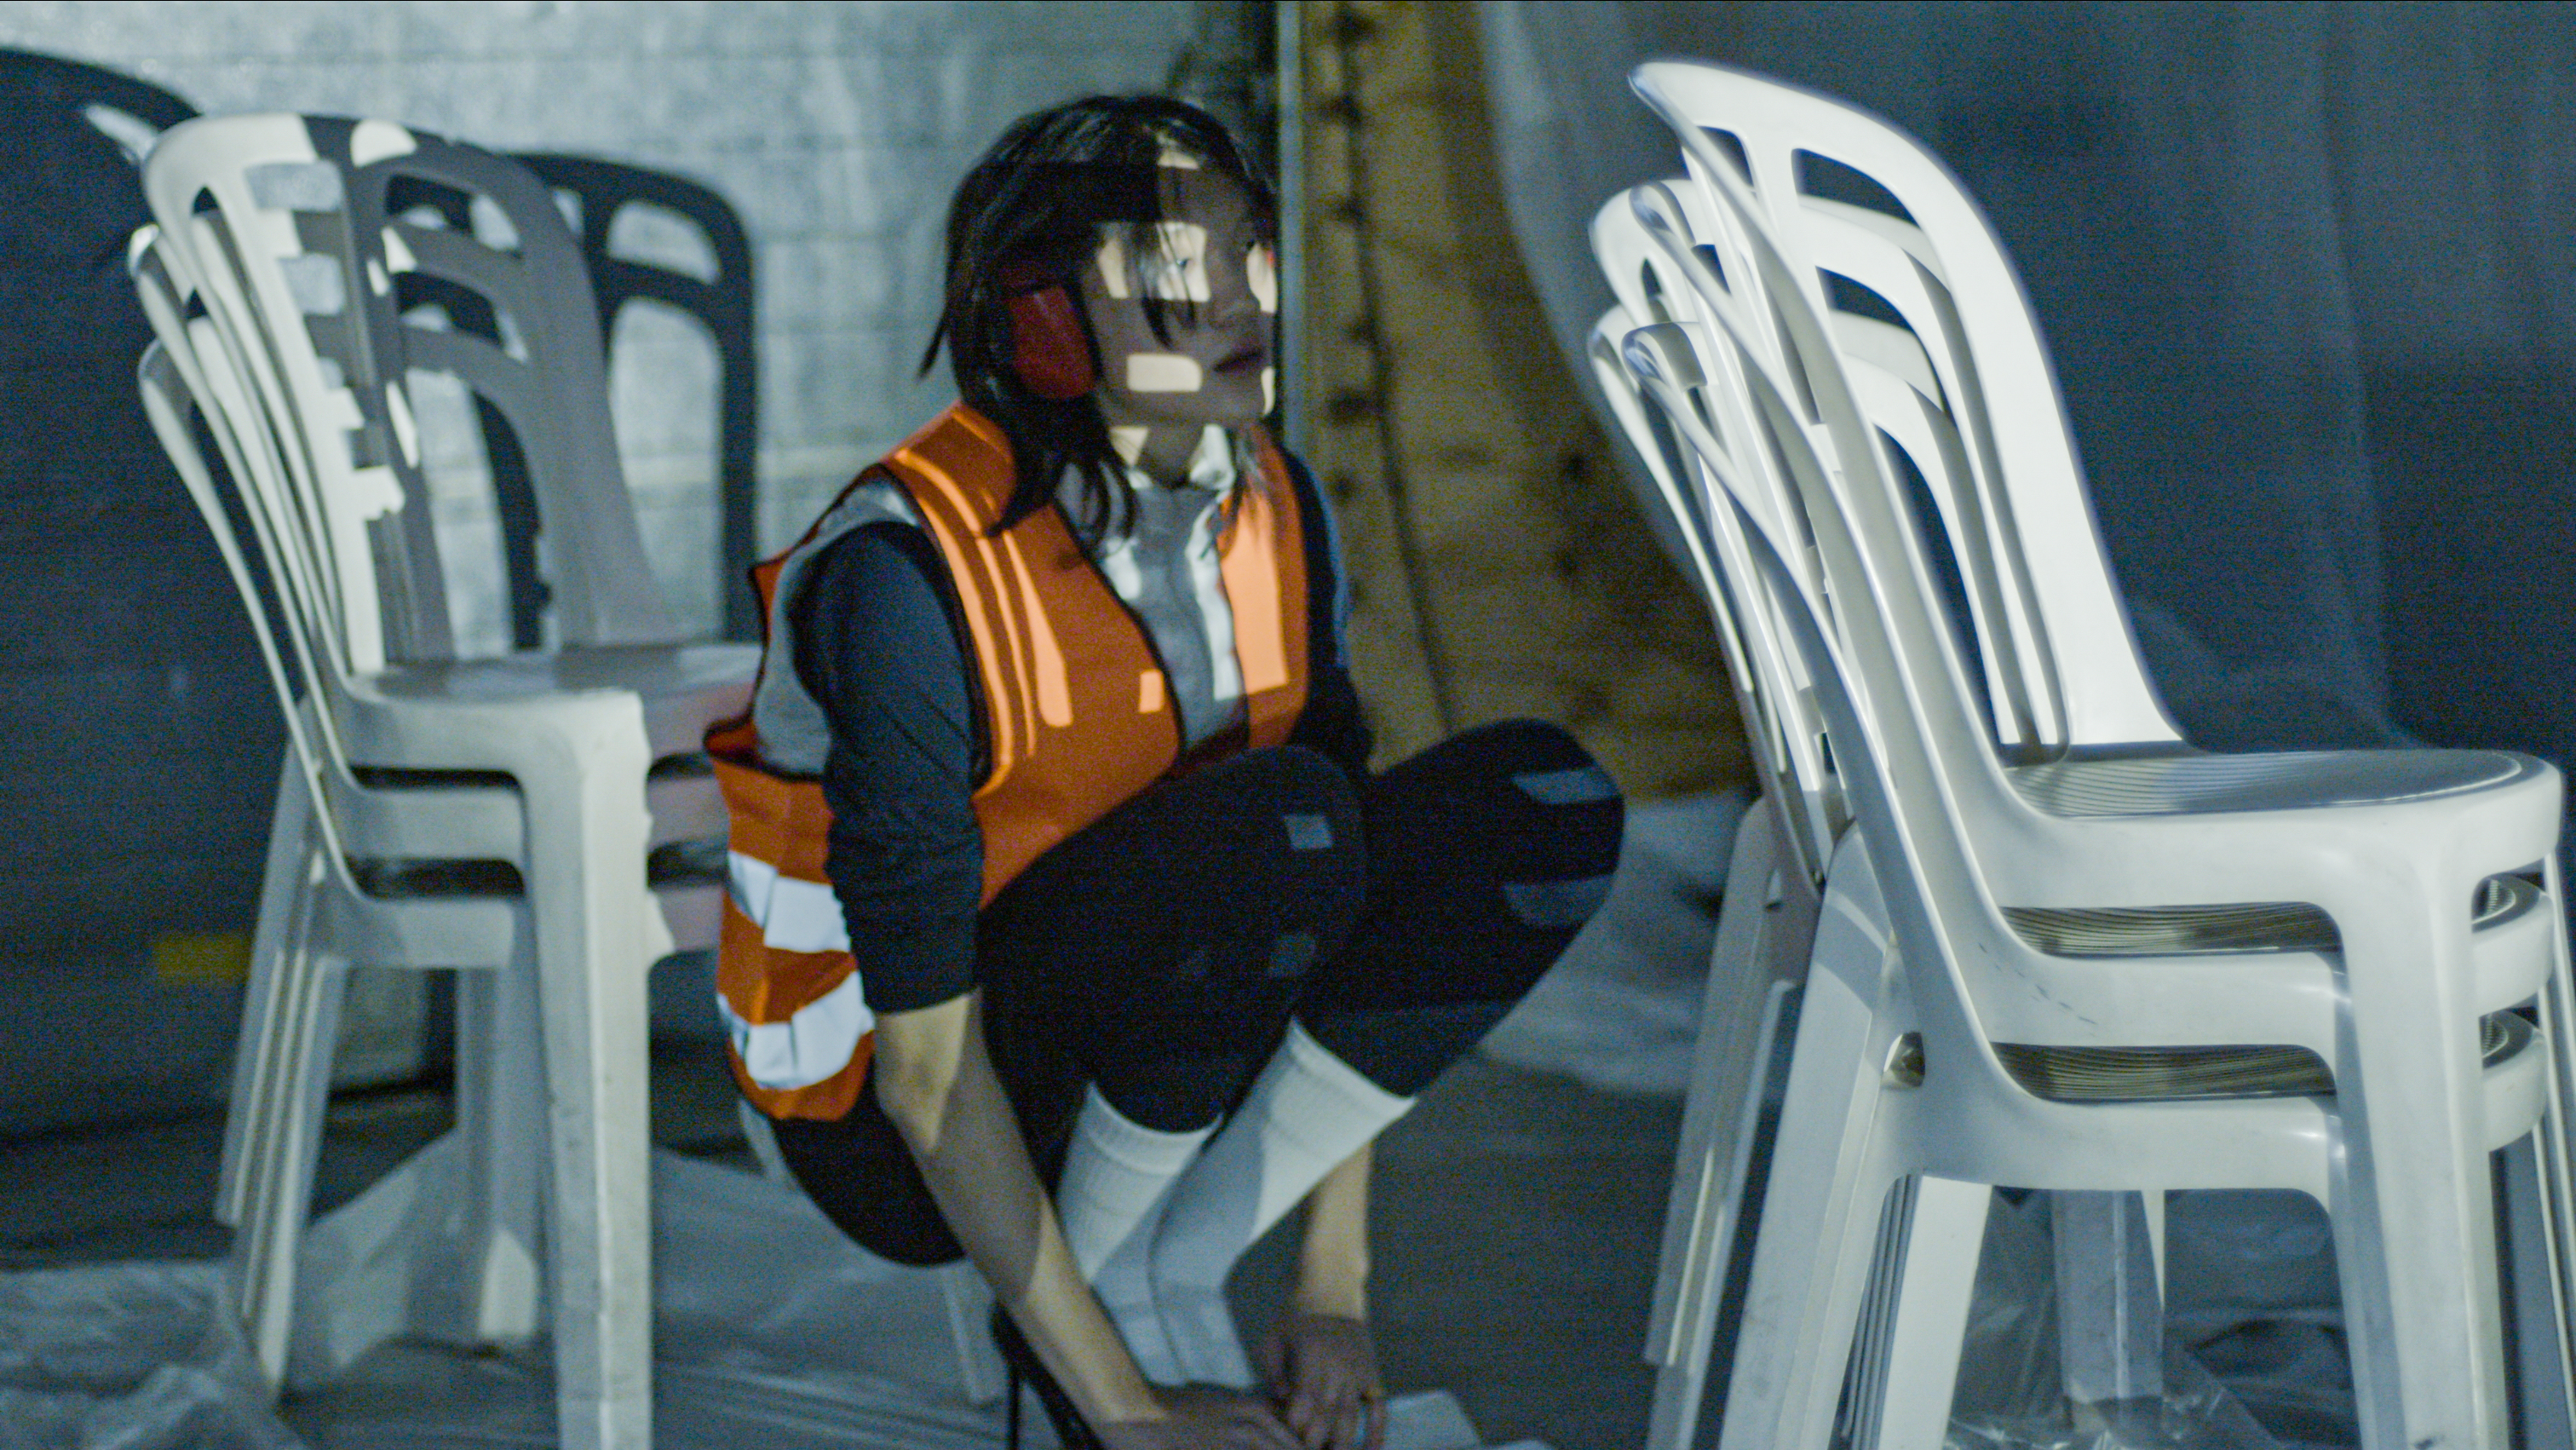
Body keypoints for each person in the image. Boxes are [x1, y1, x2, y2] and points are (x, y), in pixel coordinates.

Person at [707, 95, 1624, 1450]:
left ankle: (1161, 1271)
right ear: (1047, 326)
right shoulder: (901, 575)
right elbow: (919, 1071)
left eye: (1250, 249)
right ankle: (1079, 1333)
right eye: (1172, 275)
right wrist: (1129, 1412)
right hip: (887, 1122)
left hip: (1113, 1025)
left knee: (1533, 809)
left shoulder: (1273, 499)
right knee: (1286, 832)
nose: (1244, 296)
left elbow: (1343, 880)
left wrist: (1334, 1284)